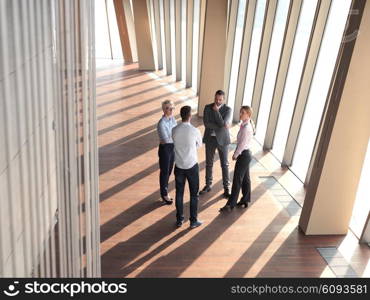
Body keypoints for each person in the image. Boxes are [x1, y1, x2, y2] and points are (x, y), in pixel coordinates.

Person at [172, 106, 203, 228]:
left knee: (179, 193)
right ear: (190, 116)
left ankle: (179, 220)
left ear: (181, 115)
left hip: (179, 165)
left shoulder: (174, 130)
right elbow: (199, 145)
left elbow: (174, 141)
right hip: (191, 166)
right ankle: (193, 221)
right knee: (193, 194)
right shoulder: (195, 131)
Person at [219, 106, 255, 212]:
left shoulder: (247, 128)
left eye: (243, 113)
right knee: (245, 178)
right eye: (240, 112)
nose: (240, 114)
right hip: (246, 154)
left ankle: (230, 204)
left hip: (244, 155)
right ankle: (245, 199)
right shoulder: (245, 125)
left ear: (248, 114)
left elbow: (242, 144)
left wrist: (235, 154)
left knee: (237, 179)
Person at [200, 90, 232, 198]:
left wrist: (216, 112)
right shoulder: (207, 107)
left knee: (225, 164)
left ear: (223, 99)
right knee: (209, 163)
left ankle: (226, 188)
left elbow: (224, 123)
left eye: (220, 100)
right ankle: (208, 185)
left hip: (223, 140)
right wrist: (221, 126)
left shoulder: (228, 109)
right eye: (216, 99)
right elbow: (206, 123)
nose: (217, 101)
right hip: (210, 139)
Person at [157, 99, 177, 205]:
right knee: (164, 172)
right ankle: (164, 194)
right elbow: (165, 139)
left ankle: (165, 190)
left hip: (172, 147)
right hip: (165, 149)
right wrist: (173, 136)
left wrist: (173, 137)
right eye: (169, 108)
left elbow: (175, 133)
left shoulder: (173, 120)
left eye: (172, 108)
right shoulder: (161, 123)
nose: (171, 110)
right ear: (164, 110)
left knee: (169, 171)